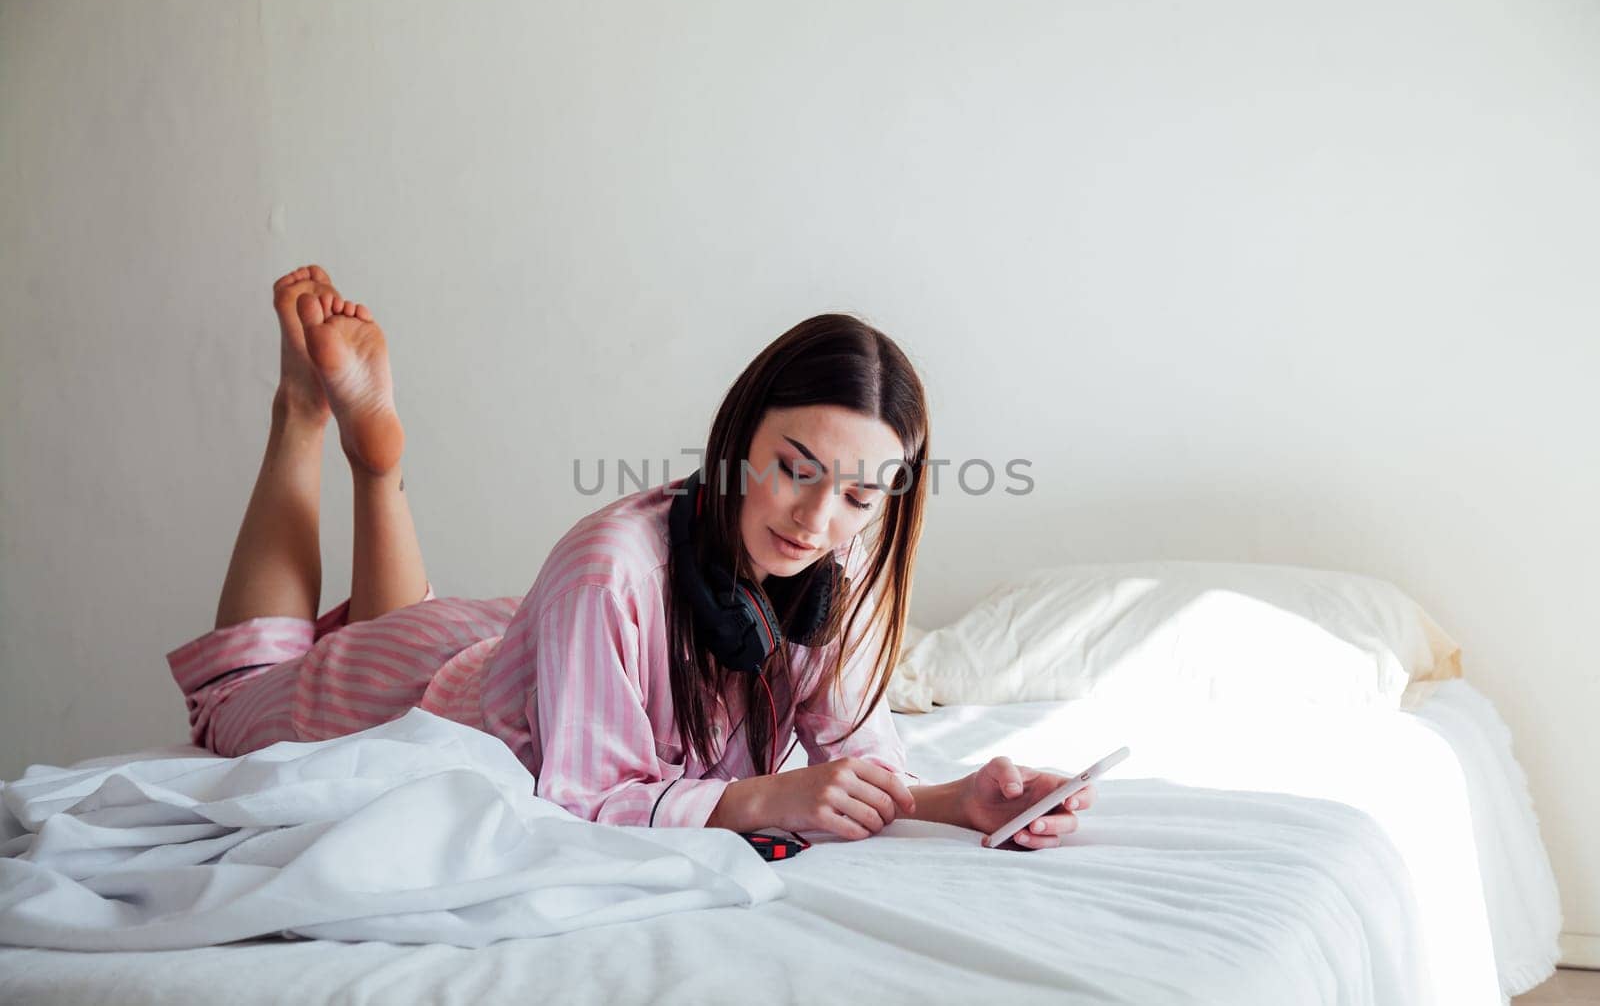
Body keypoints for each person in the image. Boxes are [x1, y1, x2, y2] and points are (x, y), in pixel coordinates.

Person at [166, 264, 1095, 848]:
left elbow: (857, 764)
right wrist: (764, 796)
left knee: (393, 625)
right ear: (737, 440)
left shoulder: (824, 576)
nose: (818, 520)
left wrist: (958, 798)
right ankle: (302, 408)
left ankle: (378, 467)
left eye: (858, 496)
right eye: (795, 471)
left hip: (515, 653)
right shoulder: (613, 565)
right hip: (430, 696)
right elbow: (587, 800)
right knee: (243, 686)